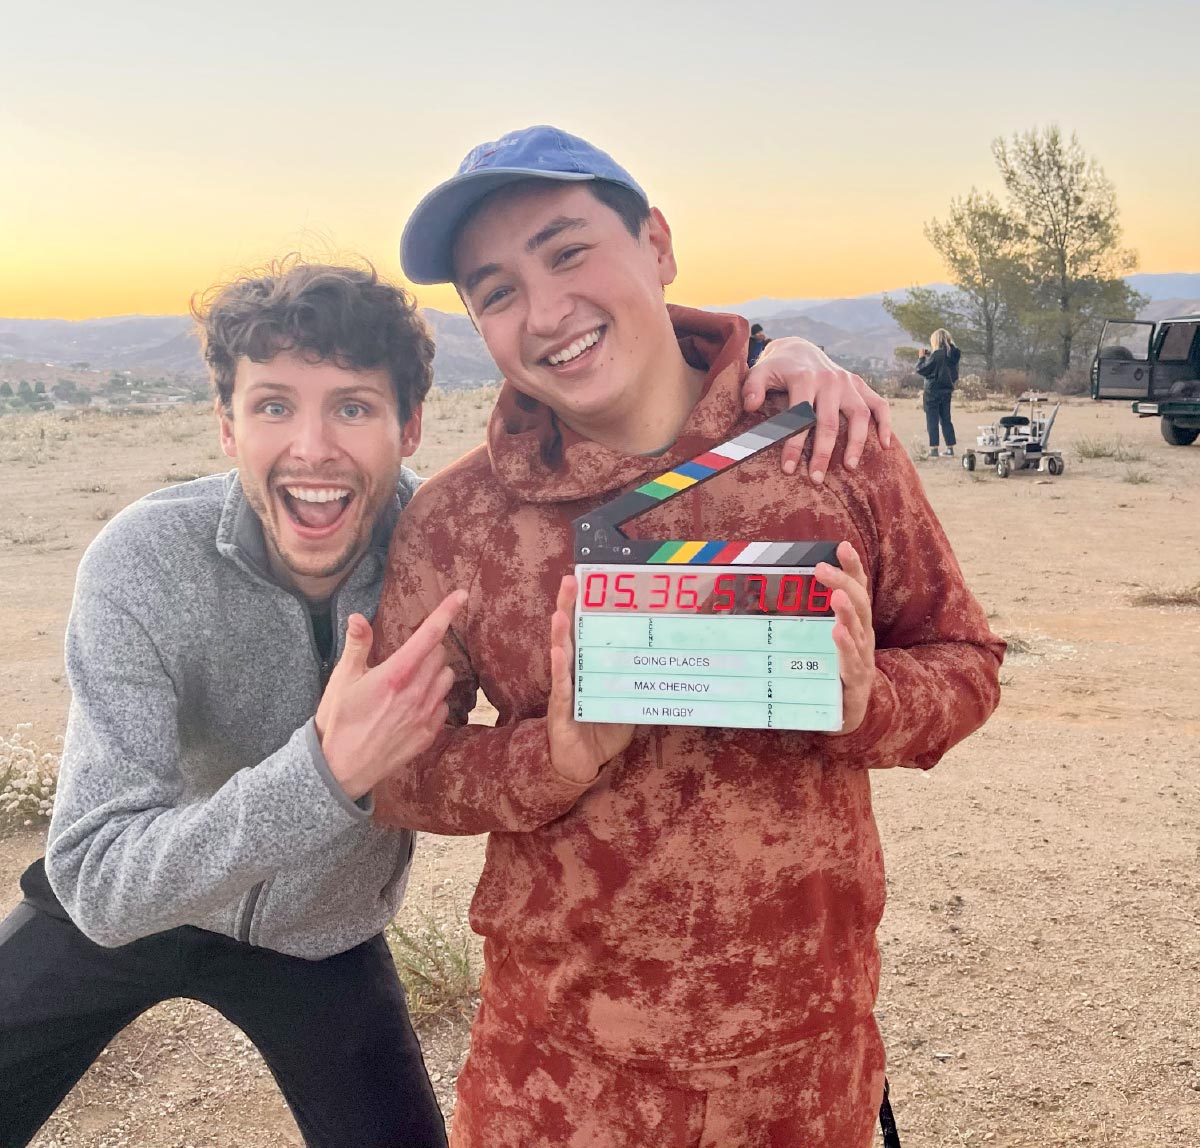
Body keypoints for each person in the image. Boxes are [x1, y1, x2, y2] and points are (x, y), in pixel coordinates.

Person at [0, 256, 891, 1148]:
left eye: (352, 406)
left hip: (321, 939)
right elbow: (99, 886)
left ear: (411, 425)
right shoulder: (144, 563)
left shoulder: (451, 546)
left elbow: (631, 423)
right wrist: (324, 772)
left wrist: (776, 355)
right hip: (137, 903)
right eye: (273, 405)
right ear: (227, 428)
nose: (312, 447)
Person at [370, 125, 1005, 1148]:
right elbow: (394, 772)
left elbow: (965, 660)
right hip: (556, 1087)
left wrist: (868, 700)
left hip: (804, 1080)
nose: (545, 312)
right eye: (494, 290)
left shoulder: (827, 441)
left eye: (568, 250)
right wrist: (553, 754)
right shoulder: (456, 523)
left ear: (657, 244)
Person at [916, 327, 961, 457]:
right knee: (946, 419)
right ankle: (950, 448)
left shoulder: (937, 355)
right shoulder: (954, 354)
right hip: (947, 390)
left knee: (932, 420)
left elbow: (922, 369)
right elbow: (947, 369)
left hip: (932, 391)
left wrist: (921, 358)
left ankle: (934, 448)